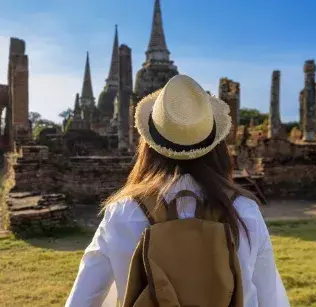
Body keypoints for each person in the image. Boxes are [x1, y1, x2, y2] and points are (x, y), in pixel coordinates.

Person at [66, 75, 290, 307]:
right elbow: (272, 300)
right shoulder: (245, 211)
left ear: (149, 146)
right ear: (216, 145)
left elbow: (81, 300)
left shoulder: (122, 213)